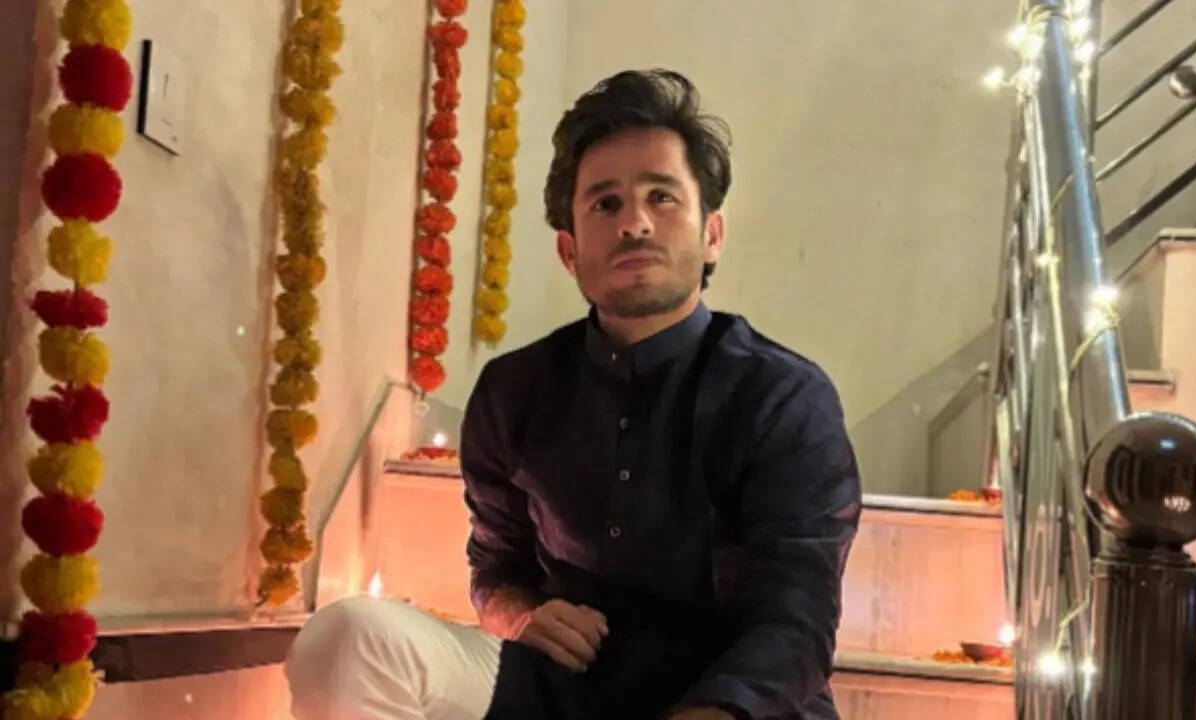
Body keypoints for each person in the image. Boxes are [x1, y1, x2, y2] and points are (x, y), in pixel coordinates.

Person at [285, 69, 861, 720]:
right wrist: (521, 615)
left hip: (734, 708)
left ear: (712, 235)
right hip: (564, 691)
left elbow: (797, 622)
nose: (634, 223)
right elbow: (496, 567)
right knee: (349, 641)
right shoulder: (513, 391)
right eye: (605, 204)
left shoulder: (782, 396)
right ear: (569, 251)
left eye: (662, 197)